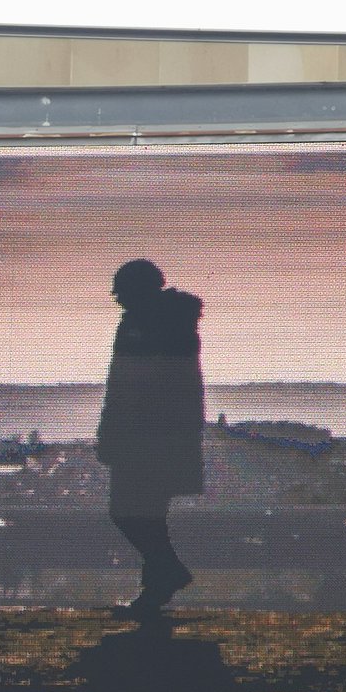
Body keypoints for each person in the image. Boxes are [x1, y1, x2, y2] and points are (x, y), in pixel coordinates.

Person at [97, 259, 205, 619]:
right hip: (157, 436)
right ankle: (155, 589)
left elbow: (129, 386)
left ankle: (165, 578)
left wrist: (113, 431)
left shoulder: (148, 326)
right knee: (147, 513)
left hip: (144, 437)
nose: (118, 300)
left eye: (123, 292)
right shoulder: (165, 322)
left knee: (130, 512)